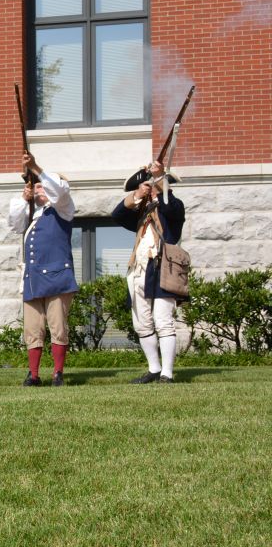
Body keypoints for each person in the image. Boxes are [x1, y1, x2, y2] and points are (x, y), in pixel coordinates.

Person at [111, 160, 186, 384]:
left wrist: (159, 180)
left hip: (163, 267)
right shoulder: (141, 212)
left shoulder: (172, 207)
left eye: (152, 184)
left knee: (163, 321)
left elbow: (171, 207)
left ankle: (167, 373)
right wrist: (137, 195)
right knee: (141, 323)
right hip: (139, 269)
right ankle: (154, 369)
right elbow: (117, 215)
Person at [7, 154, 77, 386]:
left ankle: (58, 373)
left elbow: (59, 191)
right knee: (32, 329)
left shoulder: (63, 208)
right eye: (34, 186)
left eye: (40, 186)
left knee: (58, 327)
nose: (37, 189)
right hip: (33, 279)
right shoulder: (32, 214)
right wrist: (23, 198)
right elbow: (14, 223)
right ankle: (34, 374)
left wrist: (36, 168)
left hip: (58, 277)